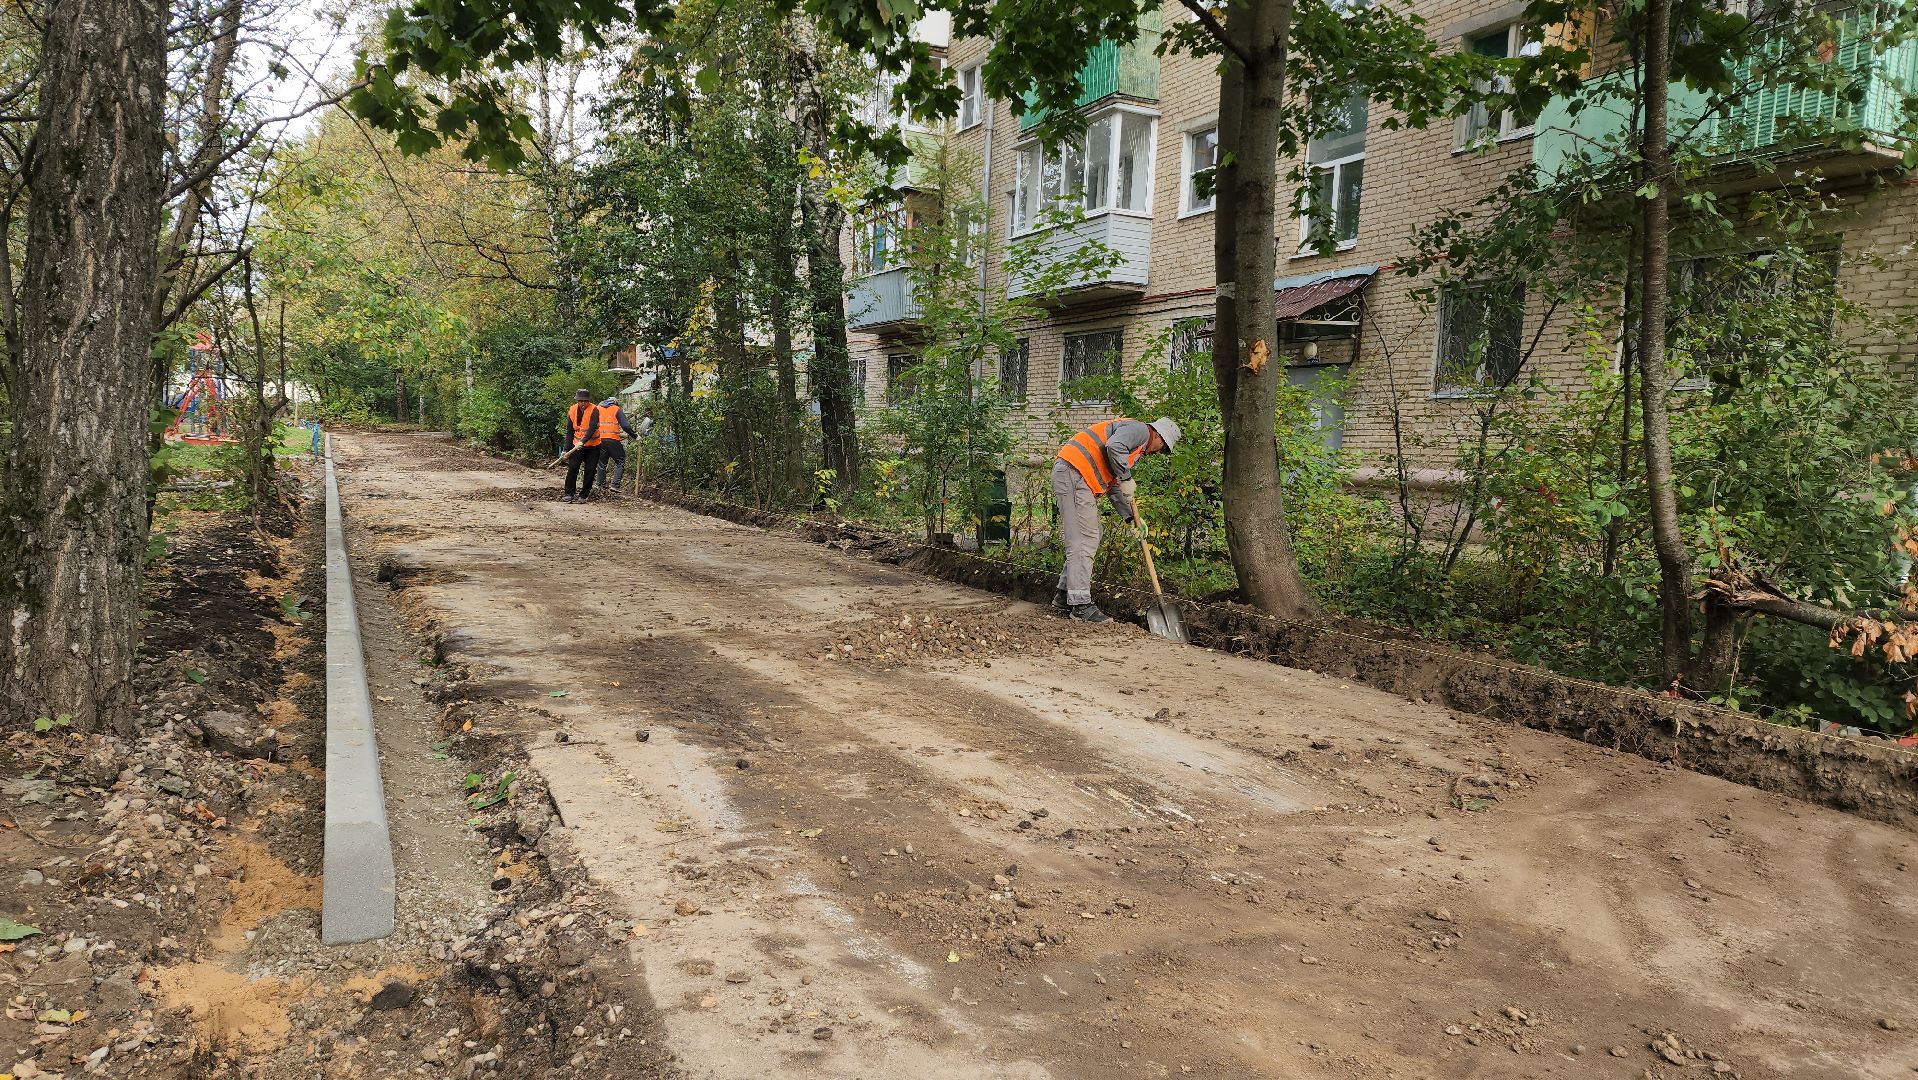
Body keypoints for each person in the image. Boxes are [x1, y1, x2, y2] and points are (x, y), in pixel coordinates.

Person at [1051, 416, 1181, 623]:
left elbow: (1112, 484)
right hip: (1074, 471)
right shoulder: (1140, 431)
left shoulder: (1134, 449)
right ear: (1157, 435)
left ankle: (1065, 595)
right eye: (1162, 447)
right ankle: (1080, 605)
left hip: (1076, 474)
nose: (1158, 452)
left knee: (1091, 535)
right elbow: (1114, 447)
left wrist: (1130, 517)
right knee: (1084, 539)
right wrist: (1127, 478)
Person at [562, 389, 604, 503]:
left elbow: (591, 428)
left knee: (590, 470)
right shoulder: (572, 410)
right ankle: (569, 493)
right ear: (577, 400)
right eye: (581, 401)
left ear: (588, 401)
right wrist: (566, 449)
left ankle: (584, 495)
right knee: (573, 468)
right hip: (577, 446)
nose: (583, 403)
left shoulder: (594, 409)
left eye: (585, 401)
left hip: (593, 446)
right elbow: (570, 431)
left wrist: (583, 441)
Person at [592, 397, 640, 495]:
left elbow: (592, 425)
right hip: (613, 440)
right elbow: (625, 426)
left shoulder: (597, 408)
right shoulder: (616, 409)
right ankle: (615, 485)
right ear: (615, 403)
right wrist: (635, 436)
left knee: (601, 463)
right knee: (620, 460)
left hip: (600, 440)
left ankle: (600, 484)